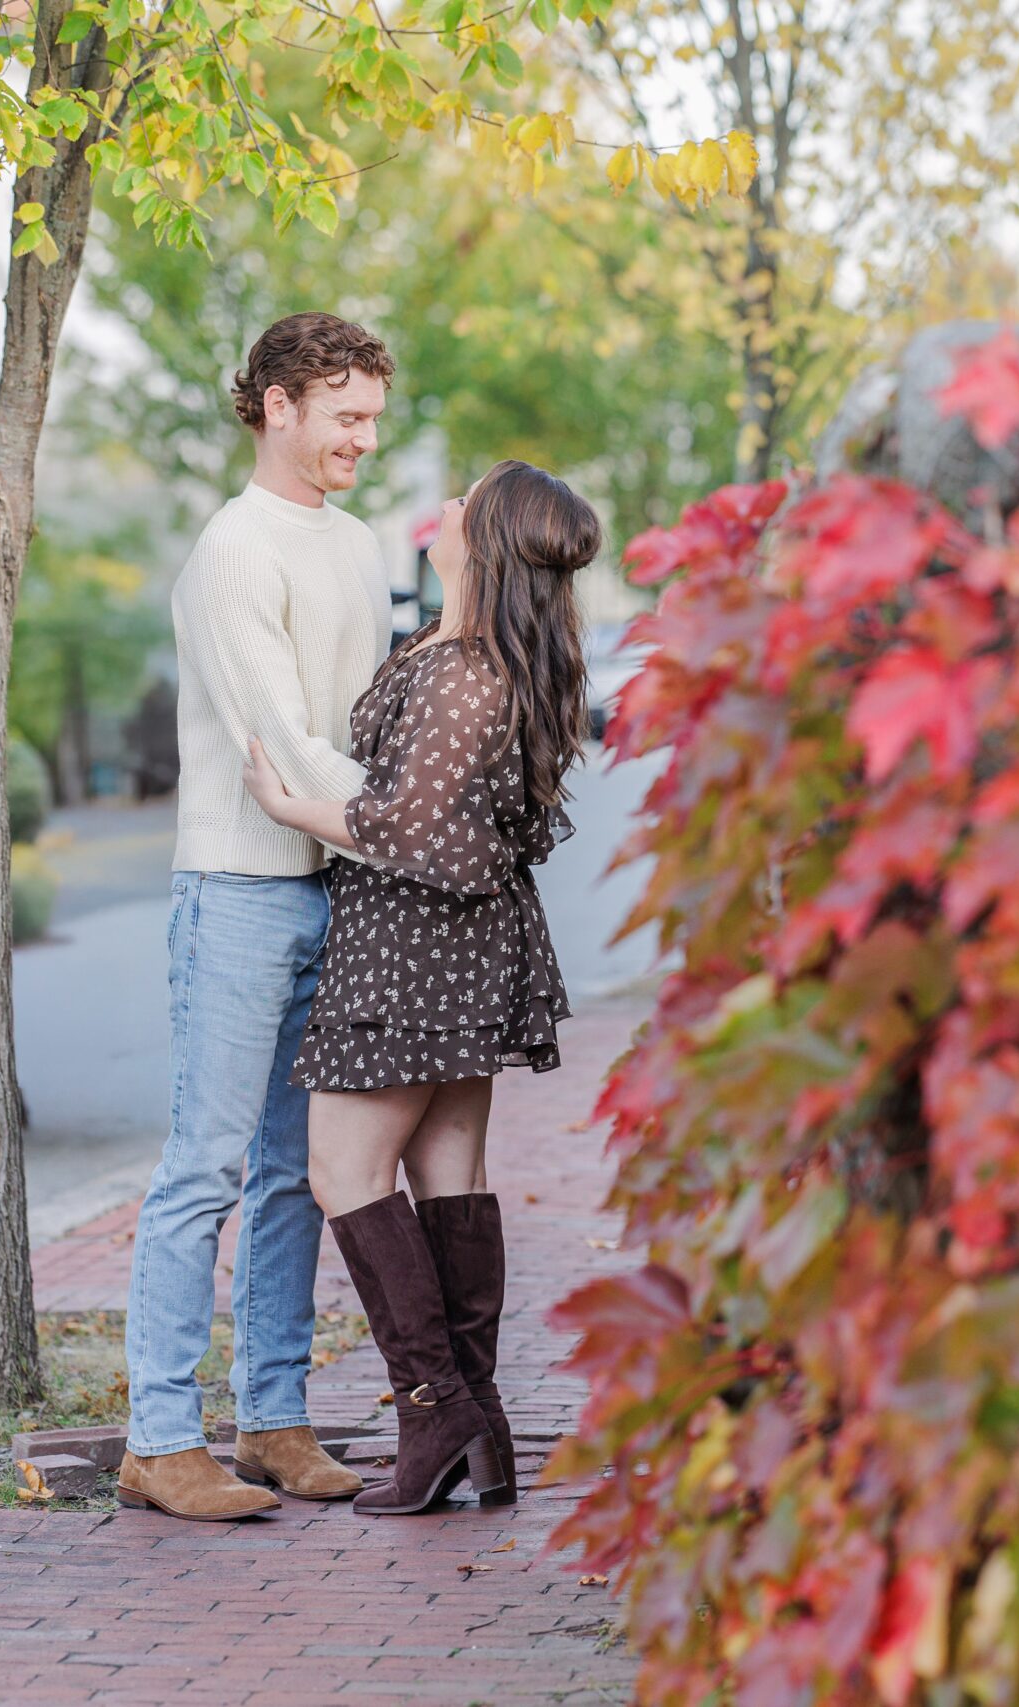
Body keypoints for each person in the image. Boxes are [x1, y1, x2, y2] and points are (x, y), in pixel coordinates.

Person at [240, 459, 594, 1515]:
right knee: (449, 1171)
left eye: (464, 498)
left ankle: (433, 1407)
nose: (443, 508)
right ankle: (477, 1425)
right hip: (468, 947)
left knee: (342, 1172)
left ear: (480, 540)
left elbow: (414, 828)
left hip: (409, 947)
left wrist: (287, 804)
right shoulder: (481, 660)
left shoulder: (458, 673)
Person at [118, 313, 395, 1522]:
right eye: (346, 416)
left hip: (335, 885)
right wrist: (406, 829)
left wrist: (378, 833)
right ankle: (159, 1438)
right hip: (237, 892)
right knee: (206, 1170)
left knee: (295, 1175)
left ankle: (274, 1421)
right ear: (277, 406)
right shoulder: (235, 551)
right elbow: (285, 737)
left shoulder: (356, 542)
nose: (363, 440)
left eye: (374, 418)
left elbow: (367, 717)